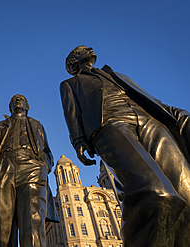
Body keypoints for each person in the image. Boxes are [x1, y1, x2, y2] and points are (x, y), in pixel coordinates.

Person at [60, 45, 190, 247]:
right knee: (156, 192)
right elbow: (72, 113)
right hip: (110, 124)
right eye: (82, 49)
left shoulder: (116, 74)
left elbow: (151, 100)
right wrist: (78, 140)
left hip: (149, 122)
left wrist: (177, 114)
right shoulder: (70, 84)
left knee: (187, 193)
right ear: (74, 61)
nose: (90, 48)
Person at [0, 94, 58, 247]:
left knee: (33, 223)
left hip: (32, 167)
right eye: (14, 100)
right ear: (10, 107)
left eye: (22, 99)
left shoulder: (36, 125)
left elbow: (46, 150)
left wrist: (42, 167)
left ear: (27, 106)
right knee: (2, 225)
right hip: (3, 168)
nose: (17, 100)